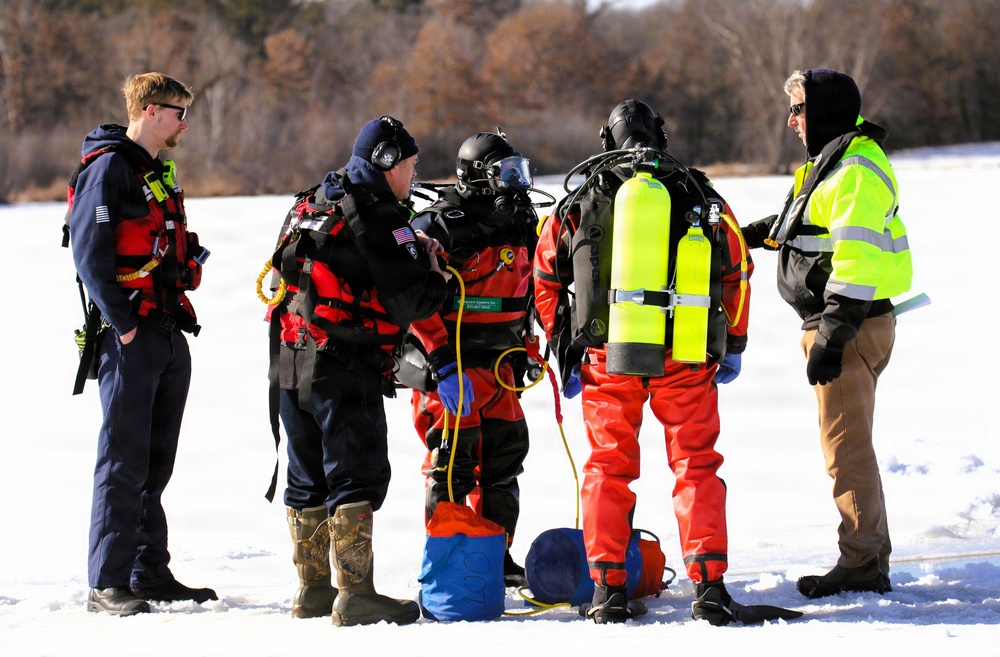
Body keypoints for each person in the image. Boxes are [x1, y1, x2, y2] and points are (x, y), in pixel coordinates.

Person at [534, 99, 775, 626]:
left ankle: (607, 590)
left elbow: (545, 277)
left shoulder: (580, 198)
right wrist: (732, 343)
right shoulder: (697, 191)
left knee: (607, 468)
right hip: (684, 354)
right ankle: (709, 585)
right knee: (696, 464)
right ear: (659, 136)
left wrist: (566, 346)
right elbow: (737, 268)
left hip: (607, 355)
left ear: (608, 139)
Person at [270, 116, 452, 625]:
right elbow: (411, 302)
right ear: (387, 162)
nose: (414, 177)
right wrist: (434, 273)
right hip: (344, 364)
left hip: (290, 359)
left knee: (306, 475)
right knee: (355, 474)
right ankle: (356, 595)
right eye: (410, 166)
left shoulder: (312, 199)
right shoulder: (378, 216)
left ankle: (312, 592)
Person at [742, 69, 912, 598]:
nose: (792, 121)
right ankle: (870, 550)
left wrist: (833, 336)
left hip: (848, 326)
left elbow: (857, 258)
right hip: (845, 324)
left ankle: (861, 561)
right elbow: (801, 223)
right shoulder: (830, 163)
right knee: (850, 443)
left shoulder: (855, 168)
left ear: (826, 110)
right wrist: (745, 234)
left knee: (846, 449)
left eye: (799, 109)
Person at [68, 72, 216, 616]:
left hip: (166, 330)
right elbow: (89, 254)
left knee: (156, 461)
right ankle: (107, 583)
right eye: (179, 110)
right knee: (122, 459)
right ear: (150, 110)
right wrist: (124, 323)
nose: (184, 121)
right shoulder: (109, 167)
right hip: (129, 336)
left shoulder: (155, 172)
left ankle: (147, 571)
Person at [406, 130, 539, 587]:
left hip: (502, 366)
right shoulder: (440, 227)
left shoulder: (521, 222)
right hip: (451, 368)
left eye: (520, 171)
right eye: (505, 173)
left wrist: (532, 347)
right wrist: (439, 364)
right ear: (477, 177)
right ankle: (449, 567)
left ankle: (494, 558)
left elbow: (533, 292)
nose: (517, 183)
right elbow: (413, 301)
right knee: (451, 467)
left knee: (504, 461)